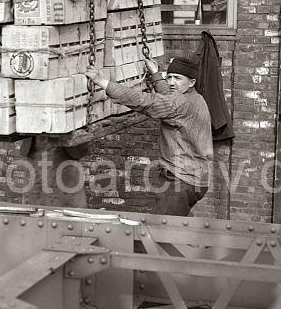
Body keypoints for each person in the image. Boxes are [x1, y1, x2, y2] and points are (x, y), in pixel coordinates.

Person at [85, 55, 213, 217]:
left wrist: (103, 83)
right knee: (177, 227)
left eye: (178, 78)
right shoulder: (193, 98)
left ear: (192, 82)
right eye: (170, 77)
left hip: (181, 182)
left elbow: (146, 102)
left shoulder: (183, 104)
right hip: (191, 180)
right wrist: (156, 74)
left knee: (162, 232)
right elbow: (168, 97)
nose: (172, 82)